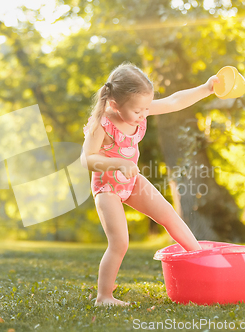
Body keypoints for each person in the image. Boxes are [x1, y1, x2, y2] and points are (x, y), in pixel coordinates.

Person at [80, 61, 219, 306]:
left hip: (132, 182)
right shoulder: (101, 123)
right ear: (114, 103)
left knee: (170, 216)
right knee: (120, 242)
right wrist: (116, 164)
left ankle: (200, 260)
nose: (144, 114)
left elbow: (175, 101)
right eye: (138, 111)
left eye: (146, 108)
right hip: (107, 187)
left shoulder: (139, 107)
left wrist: (206, 88)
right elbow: (86, 159)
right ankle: (104, 297)